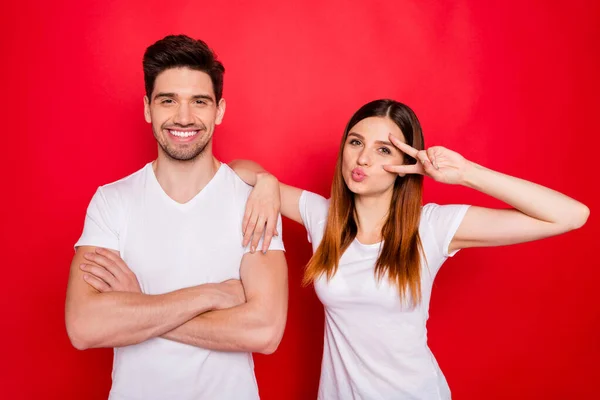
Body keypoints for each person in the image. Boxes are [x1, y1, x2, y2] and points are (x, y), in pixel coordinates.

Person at [231, 98, 589, 399]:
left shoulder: (431, 227)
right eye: (356, 143)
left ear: (404, 163)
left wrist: (465, 173)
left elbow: (571, 215)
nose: (363, 159)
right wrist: (267, 181)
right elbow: (236, 170)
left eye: (382, 149)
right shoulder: (322, 217)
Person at [64, 35, 288, 400]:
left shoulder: (253, 202)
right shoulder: (112, 201)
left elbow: (264, 331)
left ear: (219, 110)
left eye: (199, 101)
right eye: (168, 100)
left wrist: (138, 307)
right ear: (148, 109)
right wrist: (213, 294)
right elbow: (84, 326)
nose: (183, 117)